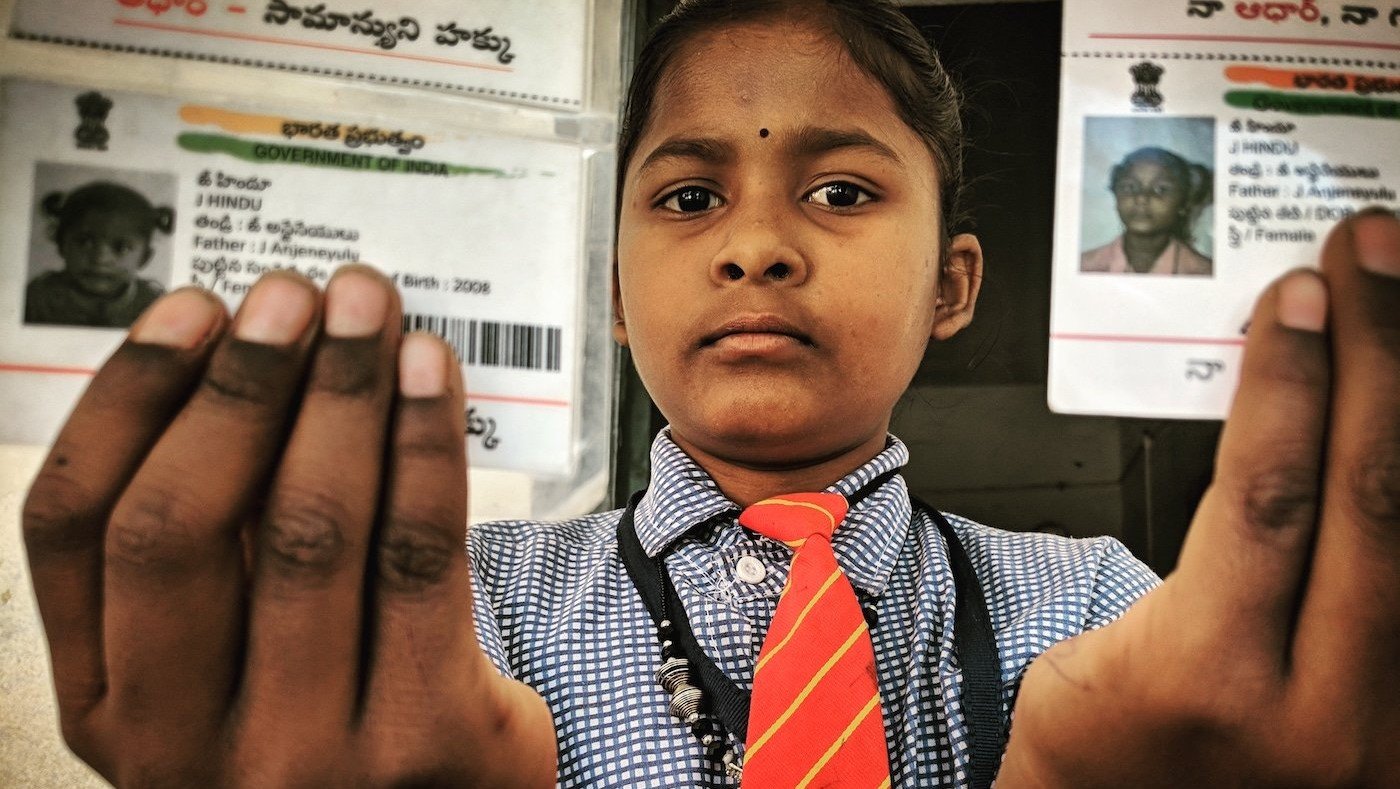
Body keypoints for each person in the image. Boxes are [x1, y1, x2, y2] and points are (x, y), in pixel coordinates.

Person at [20, 1, 1399, 787]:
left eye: (843, 190)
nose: (753, 243)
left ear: (954, 287)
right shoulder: (448, 618)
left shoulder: (1108, 611)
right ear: (614, 295)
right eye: (688, 197)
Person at [24, 180, 172, 328]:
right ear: (62, 245)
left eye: (121, 248)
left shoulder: (155, 306)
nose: (100, 259)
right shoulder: (37, 300)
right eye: (84, 242)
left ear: (145, 257)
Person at [1080, 146, 1213, 276]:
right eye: (1130, 187)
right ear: (1116, 196)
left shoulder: (1205, 273)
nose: (1141, 198)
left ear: (1184, 203)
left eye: (1161, 189)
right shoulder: (1083, 267)